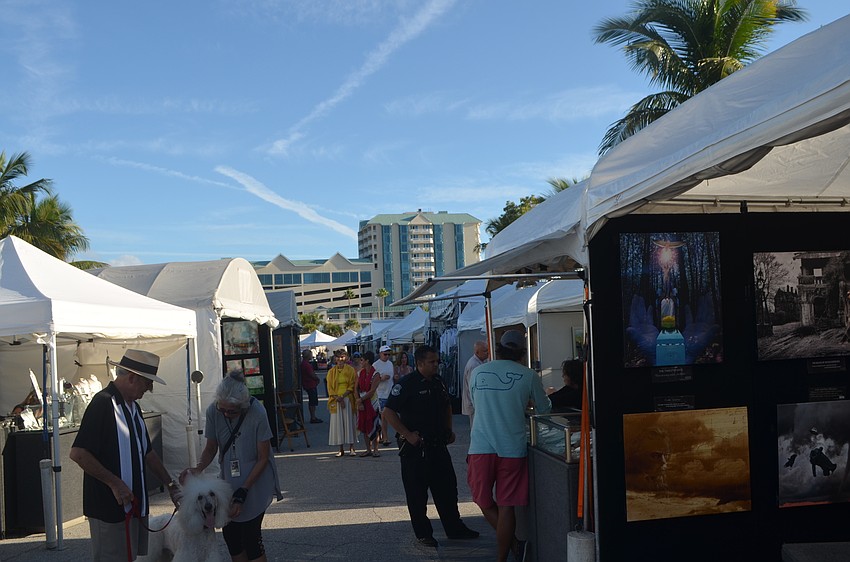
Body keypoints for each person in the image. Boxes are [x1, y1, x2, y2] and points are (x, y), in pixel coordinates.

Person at [69, 349, 180, 561]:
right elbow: (78, 453)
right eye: (147, 383)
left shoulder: (134, 408)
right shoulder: (102, 403)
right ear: (131, 378)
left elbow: (148, 452)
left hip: (133, 507)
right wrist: (114, 483)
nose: (150, 389)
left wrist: (171, 485)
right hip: (109, 509)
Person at [383, 345, 480, 548]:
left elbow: (446, 406)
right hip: (416, 449)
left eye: (437, 361)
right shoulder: (406, 384)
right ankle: (424, 533)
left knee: (447, 489)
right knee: (417, 494)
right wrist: (407, 434)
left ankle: (454, 528)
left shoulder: (439, 381)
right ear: (419, 363)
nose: (436, 365)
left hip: (438, 446)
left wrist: (449, 429)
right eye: (432, 362)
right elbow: (389, 412)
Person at [468, 330, 552, 562]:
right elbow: (545, 410)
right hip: (513, 447)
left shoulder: (477, 372)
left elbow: (476, 403)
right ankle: (506, 553)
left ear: (499, 349)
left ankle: (514, 545)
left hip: (481, 445)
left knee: (482, 500)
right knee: (507, 506)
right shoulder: (528, 375)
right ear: (522, 353)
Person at [181, 372, 282, 562]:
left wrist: (244, 491)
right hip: (229, 481)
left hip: (255, 479)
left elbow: (263, 458)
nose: (226, 414)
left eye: (232, 411)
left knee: (251, 538)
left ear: (243, 407)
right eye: (223, 409)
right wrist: (198, 468)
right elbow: (211, 448)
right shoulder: (213, 411)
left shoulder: (257, 412)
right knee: (232, 537)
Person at [326, 349, 357, 457]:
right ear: (335, 359)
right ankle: (340, 449)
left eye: (342, 357)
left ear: (346, 358)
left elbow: (352, 385)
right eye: (338, 357)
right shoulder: (331, 372)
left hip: (347, 398)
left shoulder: (351, 370)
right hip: (336, 399)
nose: (340, 359)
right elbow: (330, 388)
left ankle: (352, 448)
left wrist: (343, 397)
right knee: (338, 424)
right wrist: (338, 398)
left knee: (349, 422)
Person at [356, 350, 382, 457]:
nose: (361, 362)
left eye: (362, 360)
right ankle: (368, 449)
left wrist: (360, 400)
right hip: (362, 401)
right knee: (364, 426)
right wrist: (359, 401)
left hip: (372, 402)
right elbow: (355, 388)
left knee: (375, 426)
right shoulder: (360, 373)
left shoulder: (376, 374)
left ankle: (376, 449)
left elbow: (372, 391)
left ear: (367, 361)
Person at [461, 340, 489, 429]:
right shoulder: (474, 365)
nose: (487, 353)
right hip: (474, 405)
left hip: (475, 404)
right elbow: (472, 388)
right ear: (477, 352)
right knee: (476, 428)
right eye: (485, 351)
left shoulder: (478, 363)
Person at [373, 344, 395, 446]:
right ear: (380, 354)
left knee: (388, 416)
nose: (387, 356)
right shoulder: (376, 365)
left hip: (390, 393)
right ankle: (385, 437)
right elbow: (372, 381)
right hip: (380, 394)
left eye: (388, 354)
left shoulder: (390, 364)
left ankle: (382, 435)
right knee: (384, 417)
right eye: (385, 354)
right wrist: (381, 378)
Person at [300, 349, 323, 423]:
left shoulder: (304, 364)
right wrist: (317, 379)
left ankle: (313, 416)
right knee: (312, 401)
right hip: (310, 384)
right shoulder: (306, 365)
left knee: (312, 401)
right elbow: (311, 374)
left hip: (309, 384)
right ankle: (313, 417)